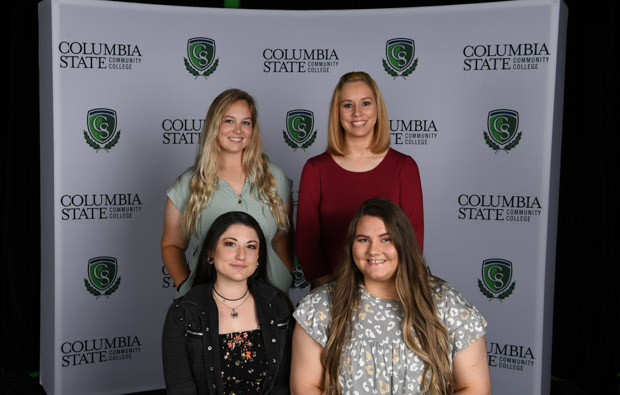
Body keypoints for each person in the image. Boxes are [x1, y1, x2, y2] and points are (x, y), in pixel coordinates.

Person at [291, 198, 490, 395]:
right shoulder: (320, 306)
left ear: (405, 243)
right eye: (363, 240)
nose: (373, 250)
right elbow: (305, 386)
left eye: (386, 239)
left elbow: (475, 387)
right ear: (351, 246)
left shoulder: (447, 304)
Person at [295, 71, 424, 289]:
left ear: (377, 109)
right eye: (347, 105)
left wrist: (387, 292)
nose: (357, 113)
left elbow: (413, 240)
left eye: (365, 103)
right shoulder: (315, 169)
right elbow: (306, 242)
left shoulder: (404, 167)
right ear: (337, 112)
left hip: (391, 291)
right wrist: (330, 291)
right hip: (331, 292)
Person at [161, 89, 294, 296]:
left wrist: (284, 277)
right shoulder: (188, 184)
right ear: (215, 125)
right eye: (229, 121)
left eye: (246, 122)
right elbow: (172, 244)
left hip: (271, 299)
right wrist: (187, 288)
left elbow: (281, 237)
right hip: (210, 306)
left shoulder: (274, 178)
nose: (238, 130)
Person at [162, 211, 293, 394]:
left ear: (258, 258)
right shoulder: (183, 313)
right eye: (230, 244)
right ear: (211, 253)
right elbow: (180, 389)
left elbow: (281, 385)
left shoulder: (276, 304)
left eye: (251, 246)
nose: (241, 255)